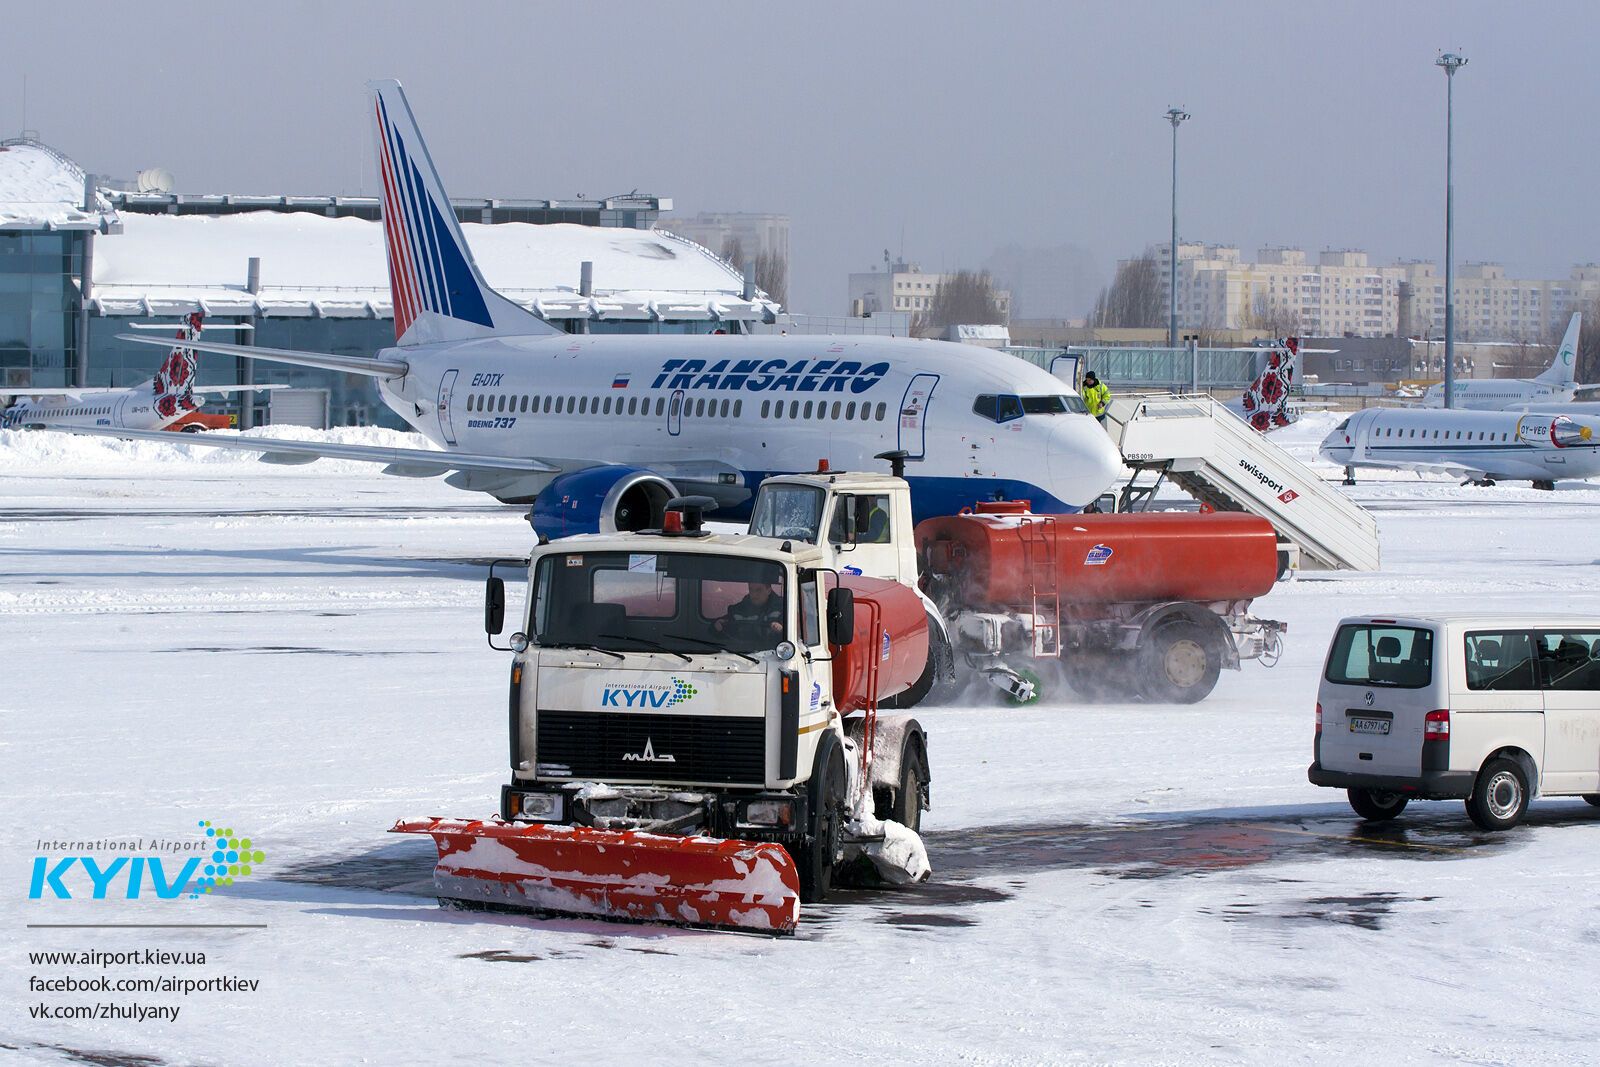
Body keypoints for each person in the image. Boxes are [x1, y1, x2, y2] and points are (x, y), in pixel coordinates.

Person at [714, 582, 784, 641]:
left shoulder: (784, 608)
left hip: (771, 654)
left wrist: (781, 630)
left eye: (759, 590)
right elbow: (725, 637)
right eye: (751, 589)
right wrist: (716, 627)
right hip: (741, 653)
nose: (754, 594)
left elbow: (791, 636)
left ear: (769, 590)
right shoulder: (737, 610)